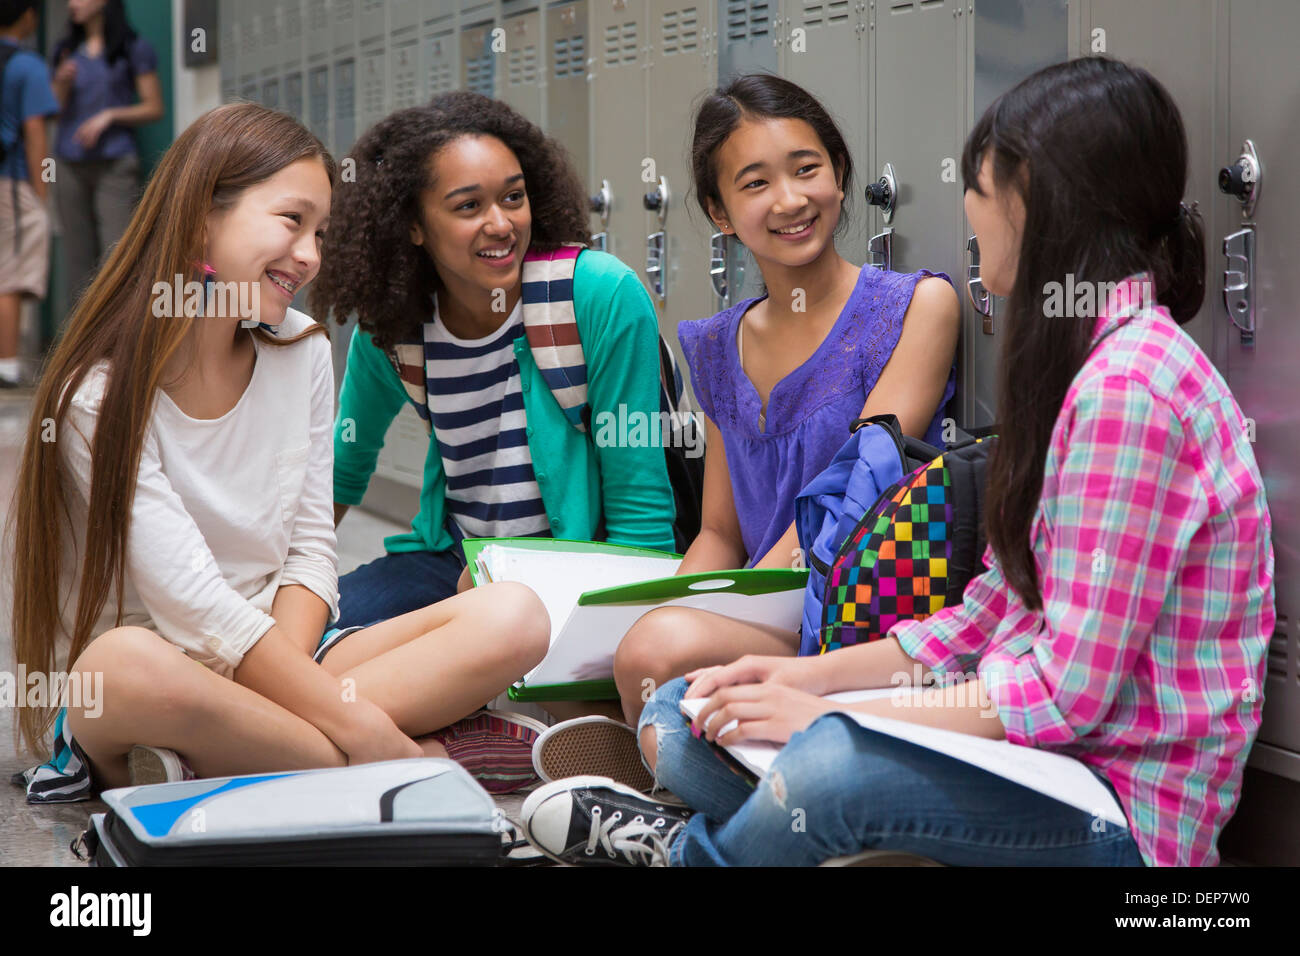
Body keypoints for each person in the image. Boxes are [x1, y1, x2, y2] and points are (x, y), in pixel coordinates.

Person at [519, 56, 1275, 867]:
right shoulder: (1082, 369)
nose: (968, 210)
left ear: (1037, 204)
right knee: (685, 709)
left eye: (980, 185)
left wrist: (842, 720)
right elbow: (986, 621)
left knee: (828, 770)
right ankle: (788, 844)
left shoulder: (1129, 391)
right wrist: (808, 683)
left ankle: (693, 853)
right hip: (1028, 754)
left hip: (1114, 805)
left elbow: (1065, 697)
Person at [10, 102, 550, 805]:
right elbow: (191, 600)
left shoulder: (303, 351)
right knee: (121, 667)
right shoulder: (98, 395)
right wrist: (359, 722)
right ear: (202, 217)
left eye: (321, 232)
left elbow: (309, 550)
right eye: (291, 221)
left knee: (515, 614)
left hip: (283, 662)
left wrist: (299, 691)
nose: (311, 255)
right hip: (159, 682)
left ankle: (226, 761)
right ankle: (409, 757)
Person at [532, 73, 960, 785]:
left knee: (653, 650)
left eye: (807, 169)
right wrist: (659, 604)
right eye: (755, 183)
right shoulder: (716, 346)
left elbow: (854, 497)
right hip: (761, 602)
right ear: (719, 211)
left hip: (856, 604)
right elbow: (719, 534)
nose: (790, 200)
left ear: (840, 173)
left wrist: (692, 617)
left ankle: (656, 791)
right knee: (585, 639)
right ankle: (666, 770)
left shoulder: (916, 308)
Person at [310, 93, 676, 634]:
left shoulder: (598, 295)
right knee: (321, 639)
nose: (501, 224)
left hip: (580, 561)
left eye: (513, 197)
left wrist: (622, 641)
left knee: (495, 653)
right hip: (458, 561)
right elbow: (344, 465)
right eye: (468, 206)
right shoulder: (394, 326)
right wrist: (285, 596)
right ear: (412, 225)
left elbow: (639, 508)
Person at [50, 0, 163, 304]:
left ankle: (117, 346)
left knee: (118, 256)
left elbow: (154, 106)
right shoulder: (65, 50)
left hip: (115, 163)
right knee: (76, 259)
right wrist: (60, 82)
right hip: (69, 163)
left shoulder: (132, 47)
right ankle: (76, 347)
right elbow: (54, 113)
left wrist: (110, 115)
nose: (72, 3)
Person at [0, 0, 56, 388]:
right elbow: (35, 130)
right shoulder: (27, 66)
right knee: (10, 273)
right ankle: (6, 364)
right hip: (11, 180)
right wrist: (40, 192)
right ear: (28, 16)